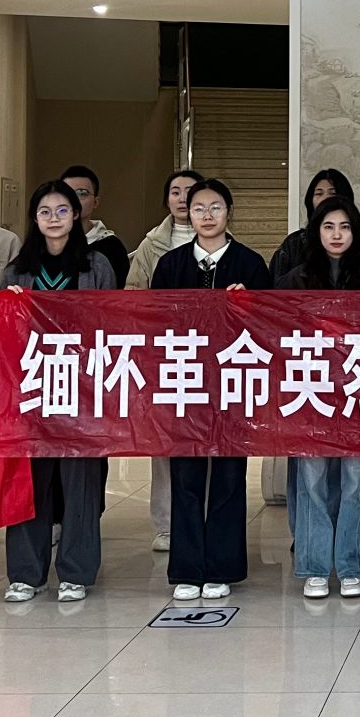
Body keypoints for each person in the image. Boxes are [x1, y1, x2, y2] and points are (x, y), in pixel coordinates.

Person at [1, 178, 119, 603]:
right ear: (34, 219)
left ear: (76, 215)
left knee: (80, 483)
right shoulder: (18, 269)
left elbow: (112, 323)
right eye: (45, 212)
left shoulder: (96, 265)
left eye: (63, 210)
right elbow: (1, 334)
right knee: (30, 482)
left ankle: (76, 572)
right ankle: (25, 574)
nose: (54, 219)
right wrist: (8, 307)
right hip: (32, 387)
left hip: (82, 387)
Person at [152, 178, 269, 602]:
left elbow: (270, 326)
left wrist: (248, 305)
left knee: (229, 477)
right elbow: (154, 322)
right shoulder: (171, 265)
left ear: (229, 212)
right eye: (198, 207)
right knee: (185, 477)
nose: (206, 215)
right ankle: (187, 568)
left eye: (215, 207)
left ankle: (222, 567)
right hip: (185, 383)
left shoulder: (251, 264)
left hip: (233, 385)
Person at [279, 195, 360, 598]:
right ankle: (316, 566)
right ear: (315, 232)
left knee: (356, 480)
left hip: (358, 391)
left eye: (345, 227)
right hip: (311, 392)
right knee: (312, 480)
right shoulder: (295, 279)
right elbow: (276, 333)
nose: (337, 235)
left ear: (356, 232)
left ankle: (351, 565)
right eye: (328, 226)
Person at [127, 166, 201, 550]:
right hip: (163, 354)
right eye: (175, 191)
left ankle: (203, 518)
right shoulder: (149, 246)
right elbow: (133, 294)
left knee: (207, 439)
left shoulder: (224, 242)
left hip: (208, 356)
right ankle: (167, 524)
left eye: (190, 191)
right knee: (165, 443)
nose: (183, 198)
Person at [272, 168, 360, 282]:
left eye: (333, 193)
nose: (325, 199)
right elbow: (277, 287)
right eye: (319, 194)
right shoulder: (293, 243)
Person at [62, 164, 130, 285]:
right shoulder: (46, 244)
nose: (73, 200)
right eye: (67, 193)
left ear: (95, 202)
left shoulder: (112, 247)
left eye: (82, 193)